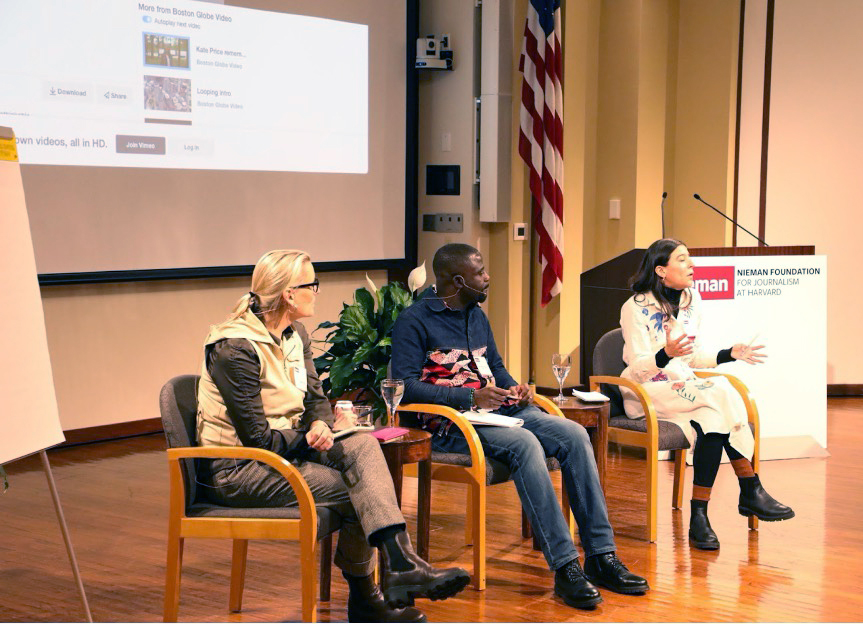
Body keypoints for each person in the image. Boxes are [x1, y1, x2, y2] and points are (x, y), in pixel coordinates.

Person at [196, 250, 469, 623]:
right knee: (362, 487)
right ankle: (373, 591)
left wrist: (320, 423)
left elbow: (315, 398)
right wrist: (309, 437)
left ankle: (395, 571)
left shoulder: (294, 333)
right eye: (312, 284)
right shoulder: (235, 349)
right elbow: (257, 440)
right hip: (238, 469)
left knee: (362, 446)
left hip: (284, 453)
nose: (316, 291)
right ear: (289, 294)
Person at [390, 243, 650, 610]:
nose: (488, 277)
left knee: (575, 434)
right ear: (460, 279)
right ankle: (565, 567)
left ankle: (601, 556)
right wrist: (469, 399)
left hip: (495, 412)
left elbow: (494, 368)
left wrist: (516, 388)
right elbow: (404, 387)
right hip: (449, 425)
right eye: (481, 273)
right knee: (525, 443)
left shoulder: (476, 315)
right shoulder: (414, 320)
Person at [618, 238, 795, 551]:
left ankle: (699, 517)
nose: (692, 265)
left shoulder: (690, 299)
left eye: (690, 258)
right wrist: (664, 353)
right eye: (683, 260)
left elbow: (692, 358)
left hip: (684, 386)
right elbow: (638, 367)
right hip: (647, 389)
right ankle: (750, 488)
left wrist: (731, 353)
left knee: (714, 417)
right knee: (721, 390)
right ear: (661, 270)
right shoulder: (634, 308)